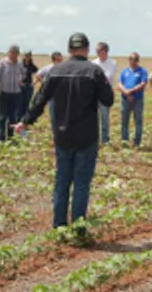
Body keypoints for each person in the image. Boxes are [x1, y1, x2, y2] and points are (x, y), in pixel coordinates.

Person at [16, 32, 114, 235]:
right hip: (87, 136)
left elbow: (40, 99)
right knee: (81, 183)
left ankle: (59, 225)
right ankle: (78, 228)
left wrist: (25, 121)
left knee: (62, 179)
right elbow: (108, 100)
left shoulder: (56, 71)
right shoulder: (94, 71)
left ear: (69, 50)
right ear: (87, 50)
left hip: (62, 135)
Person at [118, 52, 149, 147]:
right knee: (124, 121)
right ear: (128, 60)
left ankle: (137, 142)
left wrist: (130, 91)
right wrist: (126, 92)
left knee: (138, 121)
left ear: (138, 60)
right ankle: (125, 141)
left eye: (135, 59)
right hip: (125, 99)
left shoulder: (142, 71)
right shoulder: (124, 71)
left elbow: (143, 84)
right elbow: (120, 84)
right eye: (131, 59)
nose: (133, 61)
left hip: (137, 99)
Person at [0, 45, 25, 142]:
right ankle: (1, 137)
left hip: (16, 93)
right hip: (4, 93)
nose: (13, 55)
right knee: (3, 116)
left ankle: (11, 137)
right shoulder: (2, 63)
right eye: (11, 53)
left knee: (13, 116)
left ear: (18, 54)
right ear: (8, 53)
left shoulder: (20, 63)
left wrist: (21, 80)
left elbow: (23, 74)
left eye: (15, 53)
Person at [93, 42, 118, 146]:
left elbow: (107, 77)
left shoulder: (112, 63)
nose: (97, 53)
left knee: (104, 117)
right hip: (94, 93)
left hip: (105, 93)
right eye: (96, 51)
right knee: (93, 118)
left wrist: (96, 79)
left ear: (105, 51)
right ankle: (94, 140)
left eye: (99, 51)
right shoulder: (93, 63)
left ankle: (105, 140)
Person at [36, 52, 63, 132]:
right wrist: (44, 84)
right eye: (58, 59)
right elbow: (38, 75)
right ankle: (55, 132)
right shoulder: (48, 68)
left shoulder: (63, 68)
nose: (60, 61)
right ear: (54, 60)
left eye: (61, 59)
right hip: (52, 96)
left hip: (62, 95)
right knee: (53, 115)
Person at [19, 50, 38, 121]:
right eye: (26, 55)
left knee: (26, 104)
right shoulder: (19, 64)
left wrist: (34, 82)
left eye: (28, 56)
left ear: (30, 57)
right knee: (19, 103)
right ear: (23, 56)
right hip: (20, 86)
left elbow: (38, 75)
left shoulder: (32, 66)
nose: (27, 57)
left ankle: (24, 120)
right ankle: (19, 119)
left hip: (29, 86)